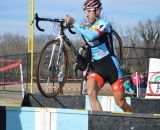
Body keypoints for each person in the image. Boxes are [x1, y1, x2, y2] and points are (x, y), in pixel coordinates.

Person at [64, 0, 132, 112]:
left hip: (111, 67)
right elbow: (87, 41)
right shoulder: (88, 27)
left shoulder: (104, 23)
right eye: (85, 12)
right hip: (97, 68)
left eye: (89, 11)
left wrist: (75, 23)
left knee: (120, 103)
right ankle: (99, 123)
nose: (86, 14)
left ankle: (134, 120)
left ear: (97, 11)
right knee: (91, 93)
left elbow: (92, 36)